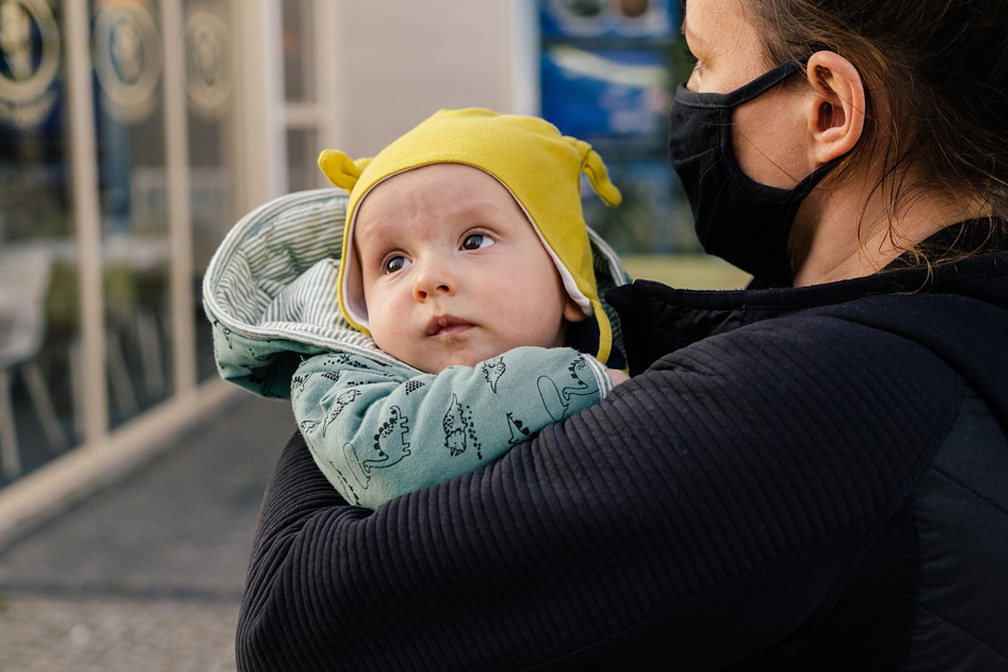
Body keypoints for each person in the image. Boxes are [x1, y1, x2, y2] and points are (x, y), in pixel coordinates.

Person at [233, 0, 1008, 669]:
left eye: (701, 60)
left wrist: (344, 354)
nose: (687, 95)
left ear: (827, 109)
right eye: (393, 263)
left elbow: (299, 625)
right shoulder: (929, 313)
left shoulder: (813, 399)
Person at [203, 108, 630, 510]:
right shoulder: (339, 381)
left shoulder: (646, 350)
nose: (427, 281)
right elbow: (379, 458)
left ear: (568, 284)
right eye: (394, 263)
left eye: (474, 241)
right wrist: (576, 380)